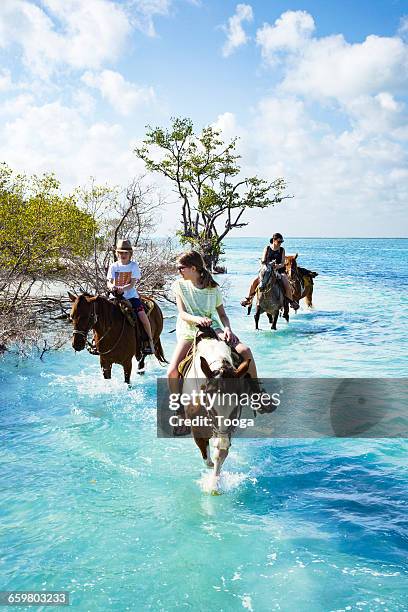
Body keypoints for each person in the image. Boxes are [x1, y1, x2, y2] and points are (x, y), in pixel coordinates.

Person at [167, 250, 258, 393]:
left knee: (245, 350)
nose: (179, 271)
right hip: (190, 331)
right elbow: (183, 313)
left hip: (214, 329)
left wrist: (228, 329)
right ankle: (177, 406)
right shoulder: (179, 286)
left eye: (181, 268)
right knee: (172, 372)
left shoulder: (213, 289)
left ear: (193, 268)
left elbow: (223, 315)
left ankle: (256, 393)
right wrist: (198, 319)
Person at [107, 239, 155, 355]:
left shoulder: (133, 266)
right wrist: (112, 287)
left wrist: (122, 289)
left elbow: (132, 284)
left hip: (131, 297)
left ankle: (150, 341)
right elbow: (109, 282)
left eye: (125, 253)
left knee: (142, 316)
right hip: (115, 297)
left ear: (130, 254)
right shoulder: (114, 266)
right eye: (121, 253)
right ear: (117, 254)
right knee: (102, 315)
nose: (123, 255)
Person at [241, 233, 299, 310]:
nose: (280, 243)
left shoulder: (282, 250)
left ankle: (291, 301)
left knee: (286, 283)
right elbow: (263, 260)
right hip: (267, 270)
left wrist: (277, 266)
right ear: (274, 240)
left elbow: (282, 263)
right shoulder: (267, 248)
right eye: (279, 241)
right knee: (254, 282)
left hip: (279, 271)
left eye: (281, 242)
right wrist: (268, 264)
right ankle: (249, 299)